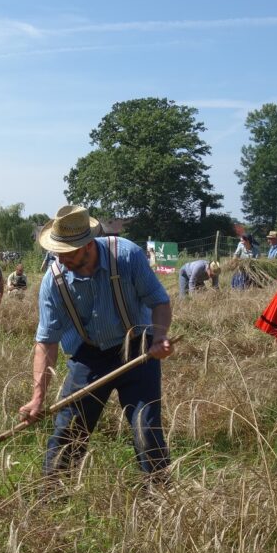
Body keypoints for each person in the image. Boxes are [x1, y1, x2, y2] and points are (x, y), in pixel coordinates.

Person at [19, 205, 174, 483]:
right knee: (69, 429)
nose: (60, 257)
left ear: (88, 245)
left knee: (146, 429)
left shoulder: (126, 256)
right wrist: (38, 398)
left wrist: (160, 336)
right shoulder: (53, 280)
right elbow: (46, 342)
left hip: (138, 350)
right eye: (57, 251)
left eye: (68, 252)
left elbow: (159, 301)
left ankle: (161, 497)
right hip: (89, 355)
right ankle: (50, 496)